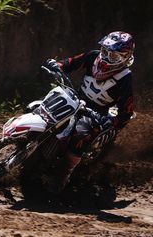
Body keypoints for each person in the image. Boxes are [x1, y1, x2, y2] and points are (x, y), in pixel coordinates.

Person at [43, 31, 135, 193]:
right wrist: (57, 65)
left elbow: (126, 111)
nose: (106, 58)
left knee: (80, 136)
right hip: (75, 99)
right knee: (42, 108)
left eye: (113, 57)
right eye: (105, 52)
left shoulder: (125, 78)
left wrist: (112, 121)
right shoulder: (93, 56)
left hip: (96, 114)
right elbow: (69, 63)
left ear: (125, 58)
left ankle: (61, 178)